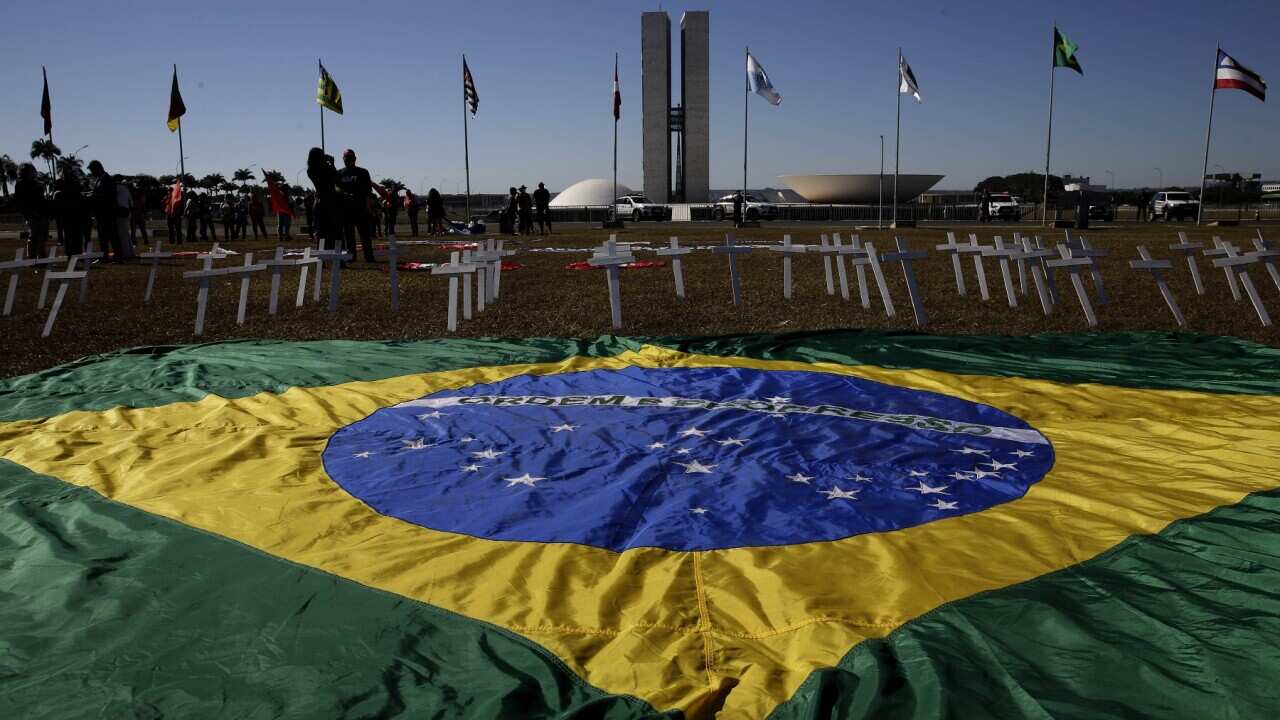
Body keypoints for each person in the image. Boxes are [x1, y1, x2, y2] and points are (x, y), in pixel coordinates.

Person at [336, 148, 375, 261]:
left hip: (361, 208)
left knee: (365, 235)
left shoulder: (363, 172)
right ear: (343, 159)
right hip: (346, 210)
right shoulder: (339, 173)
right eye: (345, 157)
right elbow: (336, 188)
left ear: (355, 159)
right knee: (349, 235)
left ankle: (369, 256)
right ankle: (351, 256)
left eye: (350, 157)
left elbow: (368, 191)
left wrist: (369, 207)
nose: (347, 159)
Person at [307, 147, 343, 250]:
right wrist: (331, 164)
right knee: (335, 231)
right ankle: (338, 257)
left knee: (321, 232)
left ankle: (321, 258)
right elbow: (336, 178)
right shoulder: (325, 169)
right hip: (330, 201)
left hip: (319, 201)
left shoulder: (310, 170)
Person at [14, 163, 50, 259]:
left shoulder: (37, 184)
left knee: (42, 235)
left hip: (41, 212)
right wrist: (30, 213)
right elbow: (20, 202)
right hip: (31, 213)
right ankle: (32, 257)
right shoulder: (21, 184)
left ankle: (41, 256)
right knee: (34, 235)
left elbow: (42, 199)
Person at [86, 160, 119, 260]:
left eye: (92, 170)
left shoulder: (107, 179)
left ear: (97, 168)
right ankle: (104, 256)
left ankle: (118, 256)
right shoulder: (99, 179)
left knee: (112, 236)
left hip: (107, 212)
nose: (92, 172)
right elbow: (97, 192)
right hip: (101, 213)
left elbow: (108, 195)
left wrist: (93, 196)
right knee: (103, 237)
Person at [53, 163, 85, 255]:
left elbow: (79, 195)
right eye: (65, 172)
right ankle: (70, 253)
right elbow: (55, 196)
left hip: (75, 213)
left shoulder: (75, 182)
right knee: (68, 235)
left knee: (77, 235)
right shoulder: (59, 182)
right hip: (65, 213)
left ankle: (78, 252)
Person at [113, 175, 135, 259]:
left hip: (120, 212)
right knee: (126, 233)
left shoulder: (116, 188)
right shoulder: (125, 188)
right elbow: (131, 202)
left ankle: (125, 253)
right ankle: (130, 251)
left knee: (122, 234)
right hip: (127, 211)